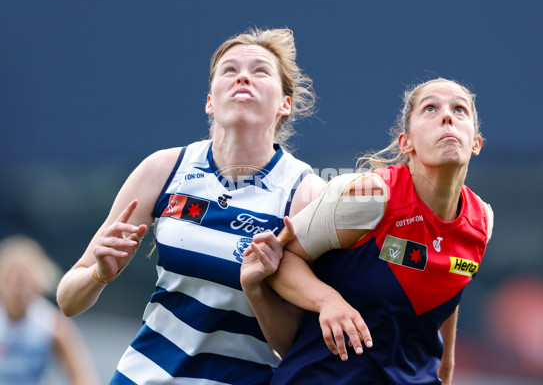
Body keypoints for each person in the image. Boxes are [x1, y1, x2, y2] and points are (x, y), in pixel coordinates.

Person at [56, 27, 325, 385]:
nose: (243, 76)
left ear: (284, 105)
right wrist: (98, 274)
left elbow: (298, 346)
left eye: (260, 70)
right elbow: (68, 302)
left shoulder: (305, 195)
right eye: (229, 70)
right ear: (210, 101)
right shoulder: (164, 168)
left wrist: (258, 289)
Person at [249, 78, 494, 384]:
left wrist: (446, 369)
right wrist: (327, 301)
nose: (447, 117)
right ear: (407, 142)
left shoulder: (482, 219)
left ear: (476, 143)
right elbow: (279, 259)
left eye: (460, 110)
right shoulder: (370, 194)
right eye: (430, 108)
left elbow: (445, 280)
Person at [0, 235, 100, 385]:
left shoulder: (51, 323)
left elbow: (82, 377)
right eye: (12, 281)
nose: (17, 292)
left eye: (23, 283)